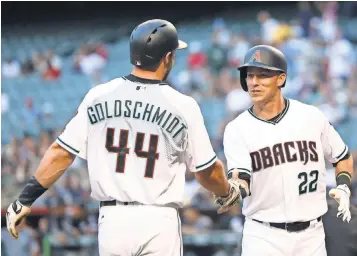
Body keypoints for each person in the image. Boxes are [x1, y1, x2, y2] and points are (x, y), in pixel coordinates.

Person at [5, 19, 241, 256]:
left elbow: (61, 153)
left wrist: (25, 199)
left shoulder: (99, 95)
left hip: (113, 221)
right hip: (159, 220)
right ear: (167, 57)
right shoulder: (183, 105)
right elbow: (207, 171)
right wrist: (226, 192)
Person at [214, 45, 354, 256]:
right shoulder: (237, 129)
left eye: (263, 75)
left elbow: (342, 156)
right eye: (249, 76)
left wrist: (343, 186)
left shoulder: (311, 116)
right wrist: (232, 191)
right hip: (263, 235)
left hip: (312, 235)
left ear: (280, 79)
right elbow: (241, 177)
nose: (254, 82)